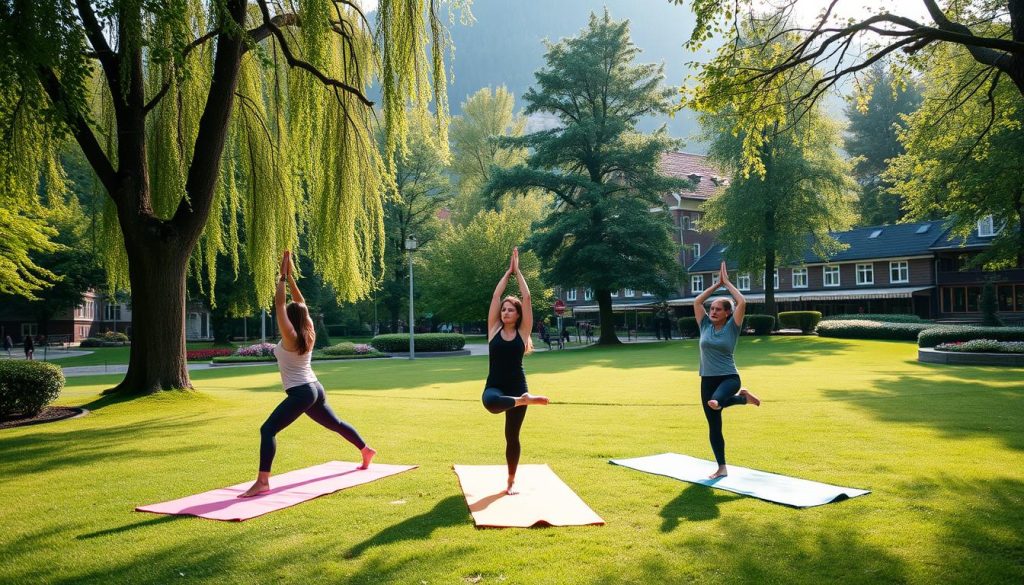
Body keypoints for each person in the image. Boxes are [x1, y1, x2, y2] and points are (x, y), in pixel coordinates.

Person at [240, 251, 376, 498]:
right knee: (335, 424)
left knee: (268, 430)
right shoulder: (309, 330)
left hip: (302, 392)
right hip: (315, 388)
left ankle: (262, 482)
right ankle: (365, 450)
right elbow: (297, 304)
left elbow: (280, 304)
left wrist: (282, 276)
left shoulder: (291, 337)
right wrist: (292, 279)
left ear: (290, 320)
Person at [481, 247, 549, 495]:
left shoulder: (523, 333)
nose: (506, 311)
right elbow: (495, 297)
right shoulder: (494, 329)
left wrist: (518, 272)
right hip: (497, 387)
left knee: (512, 436)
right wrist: (507, 273)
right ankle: (521, 402)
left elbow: (527, 297)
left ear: (518, 314)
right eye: (504, 309)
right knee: (489, 402)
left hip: (518, 385)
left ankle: (510, 481)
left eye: (511, 309)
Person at [692, 260, 761, 479]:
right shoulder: (704, 324)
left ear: (727, 313)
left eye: (717, 309)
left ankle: (737, 397)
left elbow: (741, 301)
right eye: (711, 308)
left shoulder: (733, 327)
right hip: (707, 379)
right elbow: (697, 301)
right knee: (714, 424)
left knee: (716, 401)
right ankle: (722, 467)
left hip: (729, 378)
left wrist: (728, 283)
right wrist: (715, 285)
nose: (712, 311)